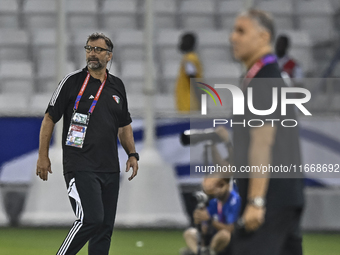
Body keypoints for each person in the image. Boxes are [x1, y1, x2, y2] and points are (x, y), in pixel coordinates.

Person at [36, 32, 139, 255]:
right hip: (79, 165)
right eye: (89, 48)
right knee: (90, 219)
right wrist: (42, 155)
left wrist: (132, 153)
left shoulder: (117, 86)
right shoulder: (71, 82)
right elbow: (49, 118)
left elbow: (124, 125)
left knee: (104, 229)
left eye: (98, 49)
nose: (92, 53)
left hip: (110, 169)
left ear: (109, 56)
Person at [229, 9, 304, 255]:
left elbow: (263, 144)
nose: (233, 37)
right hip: (282, 199)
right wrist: (223, 175)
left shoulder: (265, 78)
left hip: (271, 201)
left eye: (241, 31)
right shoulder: (259, 76)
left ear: (263, 37)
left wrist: (256, 202)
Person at [180, 177, 241, 255]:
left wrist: (210, 220)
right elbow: (204, 229)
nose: (218, 189)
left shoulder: (233, 201)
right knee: (189, 233)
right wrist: (200, 222)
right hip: (211, 235)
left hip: (228, 240)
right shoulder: (213, 201)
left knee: (224, 234)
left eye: (221, 185)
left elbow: (231, 229)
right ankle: (201, 252)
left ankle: (210, 252)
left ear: (228, 186)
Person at [175, 32, 203, 112]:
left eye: (183, 41)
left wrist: (199, 99)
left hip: (189, 104)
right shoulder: (191, 58)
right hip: (189, 103)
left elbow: (192, 78)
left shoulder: (189, 59)